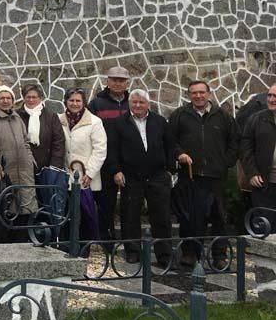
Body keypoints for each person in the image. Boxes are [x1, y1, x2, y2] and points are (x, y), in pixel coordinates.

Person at [168, 80, 237, 267]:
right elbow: (170, 140)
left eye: (201, 92)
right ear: (188, 95)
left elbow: (234, 143)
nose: (198, 96)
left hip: (216, 177)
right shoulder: (180, 115)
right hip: (190, 176)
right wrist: (179, 153)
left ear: (209, 94)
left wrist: (225, 163)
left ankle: (219, 255)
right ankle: (190, 252)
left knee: (219, 217)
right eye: (193, 93)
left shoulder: (223, 116)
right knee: (189, 217)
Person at [106, 90, 173, 266]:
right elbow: (112, 149)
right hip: (131, 176)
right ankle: (133, 251)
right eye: (134, 102)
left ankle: (164, 254)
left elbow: (169, 145)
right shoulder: (119, 123)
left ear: (148, 104)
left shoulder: (159, 121)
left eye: (141, 103)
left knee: (162, 216)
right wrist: (116, 170)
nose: (137, 105)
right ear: (129, 104)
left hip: (157, 175)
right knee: (130, 215)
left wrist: (170, 169)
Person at [88, 66, 131, 246]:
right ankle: (107, 240)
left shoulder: (133, 102)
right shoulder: (97, 104)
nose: (117, 83)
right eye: (114, 79)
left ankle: (130, 242)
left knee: (129, 205)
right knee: (107, 203)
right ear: (107, 81)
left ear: (127, 83)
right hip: (105, 162)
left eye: (121, 80)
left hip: (130, 161)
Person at [0, 86, 38, 232]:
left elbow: (26, 142)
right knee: (7, 209)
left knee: (25, 208)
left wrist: (30, 160)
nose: (5, 101)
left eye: (8, 98)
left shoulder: (17, 118)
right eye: (1, 98)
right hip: (5, 172)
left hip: (24, 170)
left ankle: (23, 242)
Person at [59, 88, 108, 246]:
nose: (74, 104)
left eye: (78, 100)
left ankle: (83, 250)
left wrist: (91, 173)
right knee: (66, 216)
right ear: (66, 101)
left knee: (85, 216)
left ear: (84, 102)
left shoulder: (94, 122)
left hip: (85, 178)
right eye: (71, 100)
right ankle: (67, 248)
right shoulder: (59, 120)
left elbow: (100, 150)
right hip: (65, 176)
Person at [240, 83, 276, 230]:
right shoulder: (256, 119)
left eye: (275, 96)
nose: (271, 99)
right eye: (270, 95)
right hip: (264, 183)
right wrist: (252, 173)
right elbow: (245, 148)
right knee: (264, 227)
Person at [19, 85, 65, 176]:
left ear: (40, 98)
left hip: (46, 167)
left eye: (34, 97)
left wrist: (54, 167)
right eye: (28, 97)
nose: (31, 100)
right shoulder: (17, 116)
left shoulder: (51, 117)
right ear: (24, 98)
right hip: (22, 167)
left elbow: (58, 142)